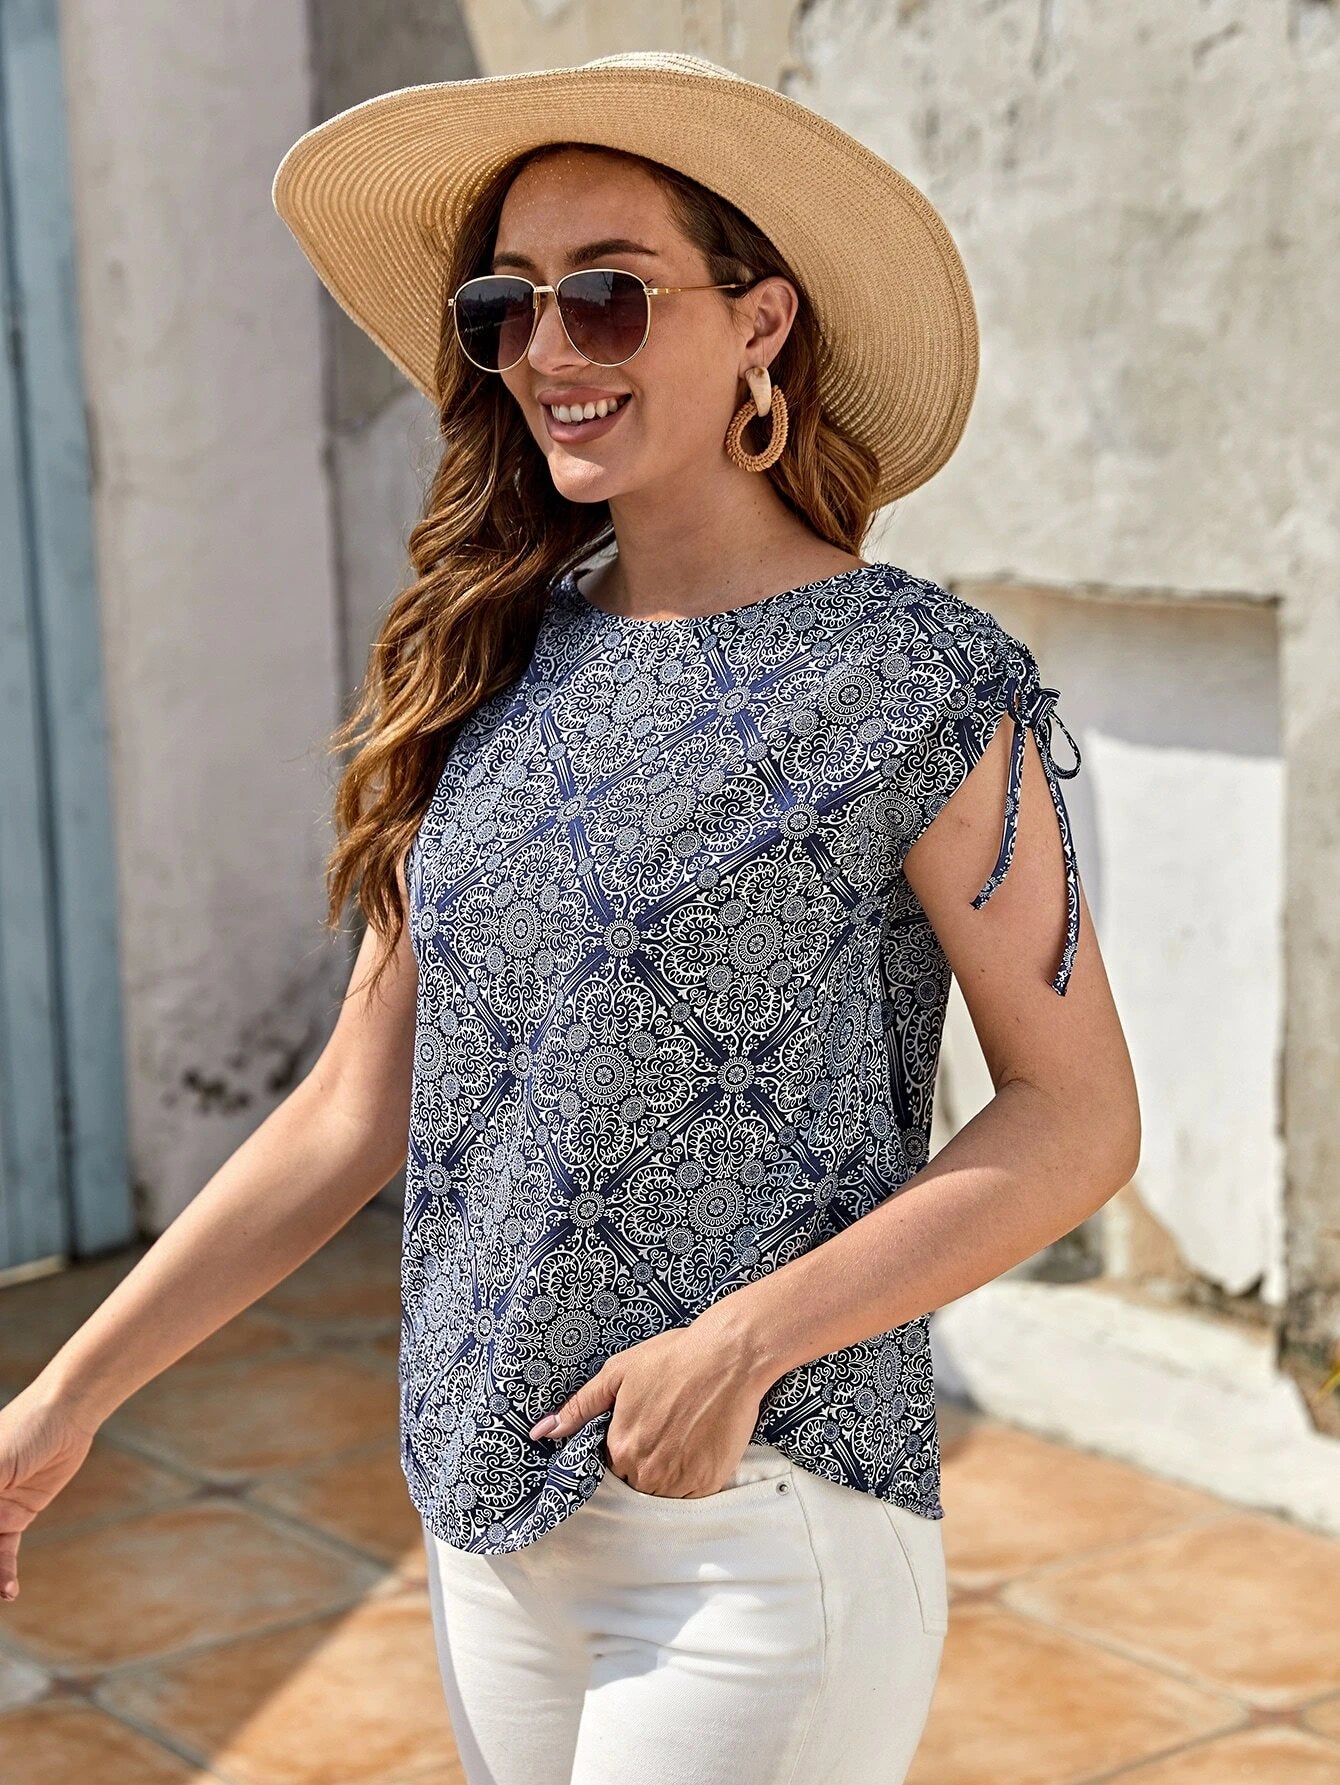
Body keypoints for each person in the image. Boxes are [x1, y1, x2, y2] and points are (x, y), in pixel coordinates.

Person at [0, 49, 1140, 1785]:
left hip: (757, 1529)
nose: (548, 348)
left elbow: (1079, 1116)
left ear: (761, 323)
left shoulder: (913, 681)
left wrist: (746, 1342)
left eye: (608, 294)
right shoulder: (489, 657)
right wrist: (64, 1397)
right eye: (507, 304)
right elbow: (350, 1109)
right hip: (489, 1528)